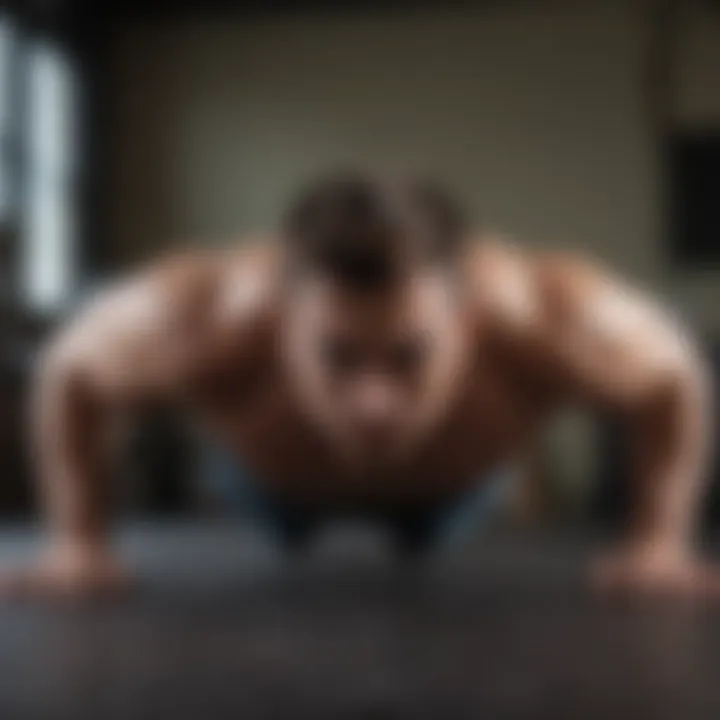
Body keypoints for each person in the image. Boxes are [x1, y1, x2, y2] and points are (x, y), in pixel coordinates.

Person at [3, 169, 716, 599]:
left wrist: (658, 541)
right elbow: (72, 371)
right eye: (339, 358)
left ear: (466, 324)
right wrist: (80, 542)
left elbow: (670, 377)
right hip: (267, 491)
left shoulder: (547, 315)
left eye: (408, 358)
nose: (374, 403)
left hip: (458, 496)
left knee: (445, 519)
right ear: (283, 321)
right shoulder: (207, 313)